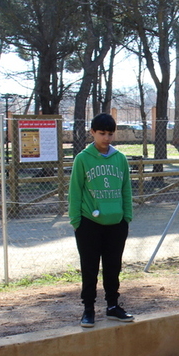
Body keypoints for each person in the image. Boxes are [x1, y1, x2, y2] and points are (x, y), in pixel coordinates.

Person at [68, 113, 134, 327]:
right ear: (92, 133)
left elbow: (126, 189)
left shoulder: (120, 158)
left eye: (110, 133)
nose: (106, 138)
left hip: (116, 223)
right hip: (89, 223)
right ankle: (88, 309)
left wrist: (127, 217)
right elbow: (75, 191)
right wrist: (76, 221)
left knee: (113, 266)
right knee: (90, 267)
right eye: (102, 133)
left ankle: (113, 306)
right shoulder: (83, 159)